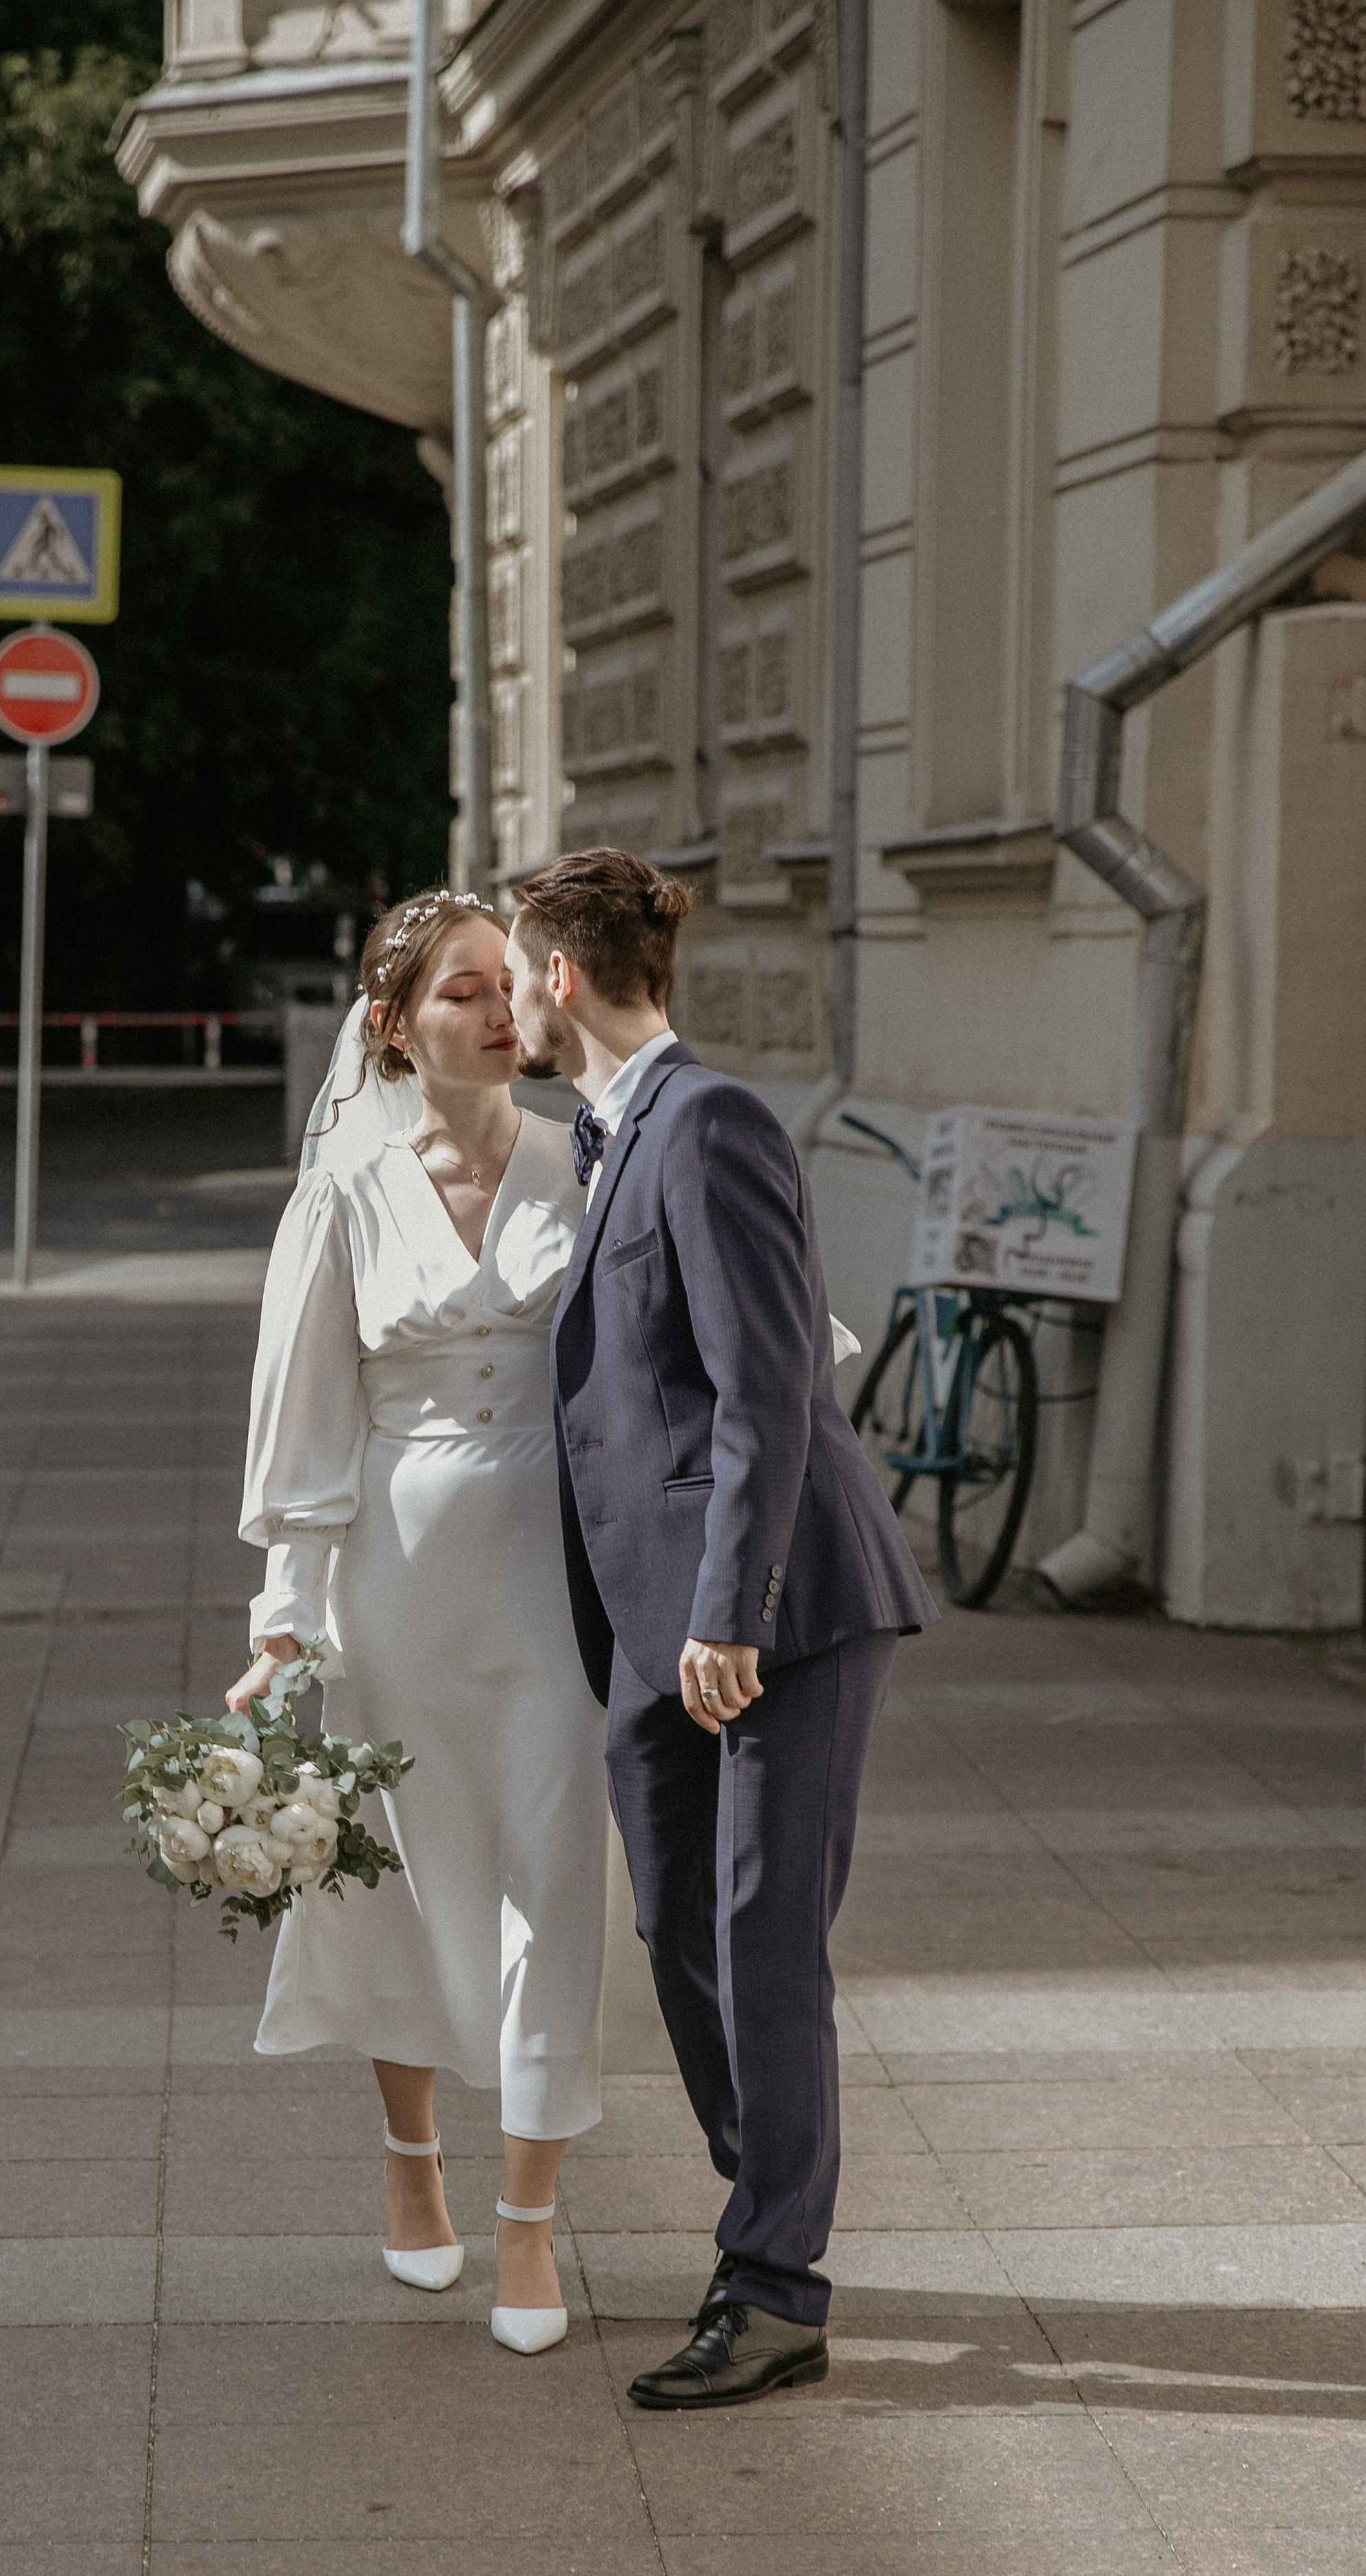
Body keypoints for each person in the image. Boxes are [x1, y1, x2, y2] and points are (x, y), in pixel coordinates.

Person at [501, 848, 939, 2411]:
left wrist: (727, 1612)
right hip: (652, 1623)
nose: (513, 1011)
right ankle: (769, 2214)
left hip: (775, 1613)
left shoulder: (710, 1122)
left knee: (761, 1943)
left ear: (561, 974)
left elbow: (765, 1387)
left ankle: (771, 2286)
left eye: (517, 975)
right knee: (675, 1931)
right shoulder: (606, 1136)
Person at [227, 888, 604, 2356]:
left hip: (562, 1585)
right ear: (392, 1030)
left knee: (553, 1881)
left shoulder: (594, 1160)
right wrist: (282, 1622)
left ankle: (526, 2227)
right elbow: (301, 1427)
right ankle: (410, 2169)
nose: (499, 1013)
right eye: (463, 993)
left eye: (509, 987)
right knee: (396, 1875)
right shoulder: (343, 1193)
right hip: (393, 1588)